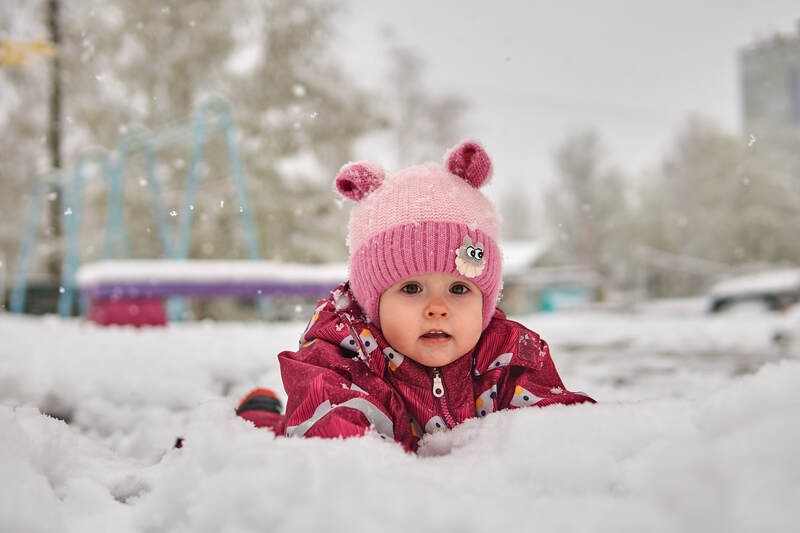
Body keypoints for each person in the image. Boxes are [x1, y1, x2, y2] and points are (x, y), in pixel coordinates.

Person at [236, 140, 594, 452]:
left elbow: (557, 430)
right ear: (372, 302)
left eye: (459, 289)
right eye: (411, 288)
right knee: (260, 437)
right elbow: (336, 441)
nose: (437, 309)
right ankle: (258, 414)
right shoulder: (345, 355)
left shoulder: (507, 358)